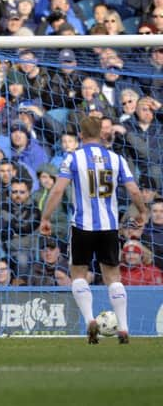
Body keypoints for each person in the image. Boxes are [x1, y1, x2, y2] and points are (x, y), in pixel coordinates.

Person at [40, 116, 148, 345]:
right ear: (102, 134)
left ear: (80, 134)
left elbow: (58, 190)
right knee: (112, 277)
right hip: (109, 227)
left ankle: (90, 319)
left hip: (82, 226)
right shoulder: (116, 158)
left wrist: (46, 218)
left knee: (78, 274)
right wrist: (142, 212)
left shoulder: (73, 158)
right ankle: (124, 327)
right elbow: (134, 190)